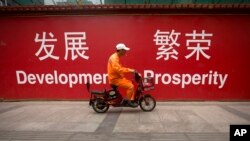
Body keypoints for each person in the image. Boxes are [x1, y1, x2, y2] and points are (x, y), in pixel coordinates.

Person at [107, 43, 137, 107]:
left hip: (118, 78)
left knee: (130, 83)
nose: (126, 51)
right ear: (120, 50)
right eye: (124, 50)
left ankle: (131, 99)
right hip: (115, 79)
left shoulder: (116, 57)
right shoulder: (114, 58)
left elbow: (119, 69)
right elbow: (118, 69)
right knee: (130, 87)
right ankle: (129, 102)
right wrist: (130, 70)